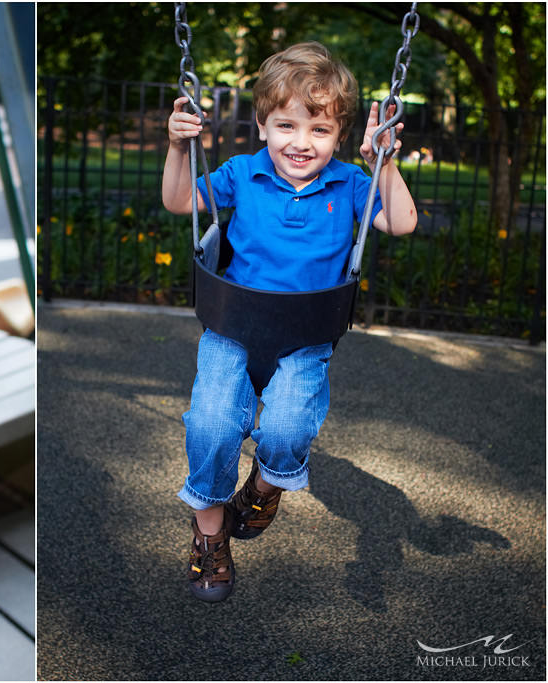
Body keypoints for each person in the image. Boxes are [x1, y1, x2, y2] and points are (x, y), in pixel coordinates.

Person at [161, 42, 417, 602]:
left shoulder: (350, 184)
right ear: (261, 126)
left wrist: (385, 163)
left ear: (339, 138)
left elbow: (400, 222)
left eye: (319, 131)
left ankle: (262, 485)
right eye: (286, 126)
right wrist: (180, 149)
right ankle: (209, 535)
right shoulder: (241, 174)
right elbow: (182, 203)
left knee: (286, 433)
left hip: (304, 336)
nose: (301, 143)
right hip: (233, 327)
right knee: (210, 422)